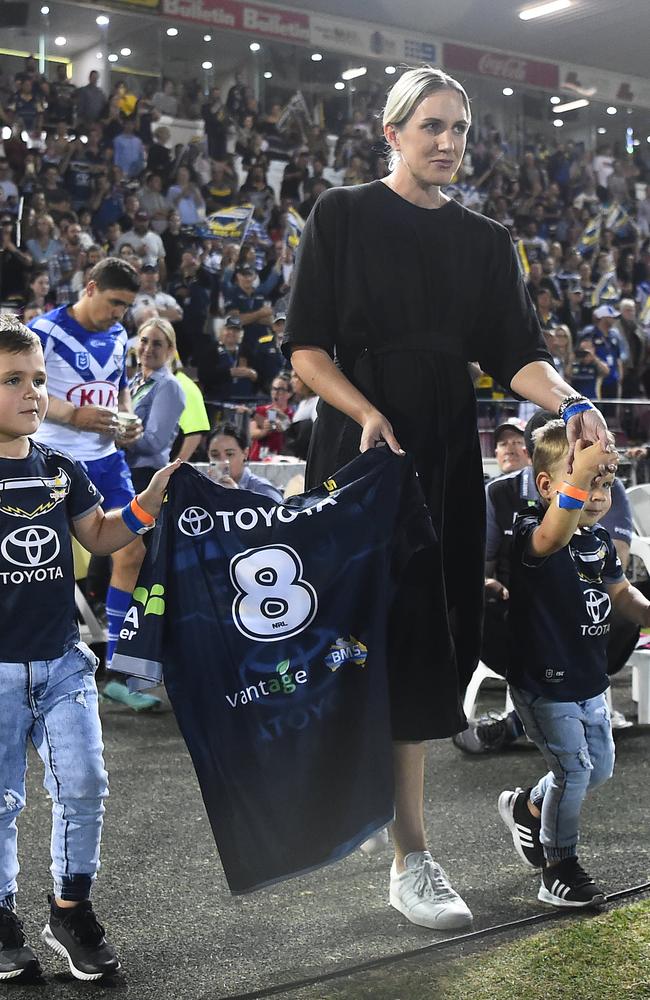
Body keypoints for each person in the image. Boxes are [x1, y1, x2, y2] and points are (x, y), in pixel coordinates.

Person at [284, 66, 612, 931]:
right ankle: (392, 841)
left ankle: (409, 857)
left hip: (443, 457)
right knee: (358, 647)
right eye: (432, 125)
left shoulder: (485, 240)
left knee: (432, 645)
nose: (448, 142)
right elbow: (306, 352)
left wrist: (572, 403)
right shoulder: (341, 215)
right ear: (390, 132)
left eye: (460, 129)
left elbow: (516, 354)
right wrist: (366, 412)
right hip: (359, 453)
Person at [0, 315, 178, 981]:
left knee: (85, 785)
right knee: (1, 801)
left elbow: (101, 536)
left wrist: (149, 504)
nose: (33, 392)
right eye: (12, 380)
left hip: (64, 661)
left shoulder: (62, 468)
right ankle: (0, 920)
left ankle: (69, 910)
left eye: (39, 380)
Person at [498, 421, 650, 908]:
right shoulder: (531, 532)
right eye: (587, 481)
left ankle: (528, 805)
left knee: (598, 768)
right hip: (546, 684)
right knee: (574, 773)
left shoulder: (600, 541)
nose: (599, 495)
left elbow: (621, 594)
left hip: (589, 680)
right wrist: (577, 481)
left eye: (604, 483)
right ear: (547, 486)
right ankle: (558, 866)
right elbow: (553, 534)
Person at [27, 258, 157, 711]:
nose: (119, 313)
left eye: (126, 305)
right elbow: (25, 390)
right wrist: (73, 415)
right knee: (39, 563)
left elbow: (118, 388)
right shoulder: (43, 331)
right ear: (91, 287)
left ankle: (117, 669)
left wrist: (128, 420)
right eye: (114, 302)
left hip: (106, 461)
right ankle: (32, 668)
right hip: (51, 460)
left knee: (133, 550)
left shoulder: (119, 336)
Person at [102, 318, 186, 708]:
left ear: (170, 349)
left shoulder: (169, 385)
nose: (149, 348)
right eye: (144, 341)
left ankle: (129, 674)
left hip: (146, 479)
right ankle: (122, 671)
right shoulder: (135, 383)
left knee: (137, 569)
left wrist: (111, 435)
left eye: (158, 343)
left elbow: (153, 440)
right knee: (126, 567)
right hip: (124, 475)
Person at [205, 424, 283, 502]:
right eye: (214, 455)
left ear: (245, 453)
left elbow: (284, 512)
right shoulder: (202, 489)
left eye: (230, 454)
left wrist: (237, 496)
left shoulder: (262, 491)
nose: (222, 460)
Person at [248, 373, 294, 460]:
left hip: (282, 458)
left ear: (289, 393)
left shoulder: (292, 415)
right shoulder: (260, 410)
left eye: (280, 389)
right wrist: (265, 431)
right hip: (258, 457)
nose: (276, 393)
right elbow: (252, 433)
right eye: (274, 389)